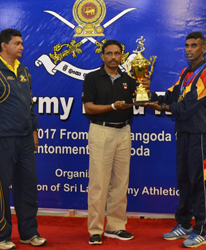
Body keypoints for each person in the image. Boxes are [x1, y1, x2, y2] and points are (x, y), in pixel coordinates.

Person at [0, 28, 47, 249]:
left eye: (22, 43)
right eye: (17, 43)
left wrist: (34, 131)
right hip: (0, 140)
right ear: (4, 46)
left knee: (27, 187)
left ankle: (28, 233)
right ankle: (0, 236)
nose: (21, 47)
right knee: (0, 189)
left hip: (25, 140)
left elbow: (30, 105)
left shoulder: (24, 71)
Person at [144, 32, 206, 248]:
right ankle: (184, 224)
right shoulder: (186, 72)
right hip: (184, 133)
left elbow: (185, 107)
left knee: (200, 182)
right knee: (184, 180)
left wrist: (161, 107)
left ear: (203, 48)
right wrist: (148, 95)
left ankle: (201, 230)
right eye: (186, 45)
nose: (188, 49)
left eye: (193, 45)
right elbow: (171, 95)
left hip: (200, 135)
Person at [83, 39, 147, 245]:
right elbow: (89, 108)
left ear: (122, 56)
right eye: (109, 53)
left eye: (117, 53)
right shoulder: (92, 78)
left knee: (120, 183)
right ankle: (95, 229)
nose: (113, 57)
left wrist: (145, 87)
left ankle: (116, 227)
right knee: (98, 184)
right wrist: (112, 106)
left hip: (124, 132)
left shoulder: (129, 78)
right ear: (102, 56)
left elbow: (140, 101)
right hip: (101, 131)